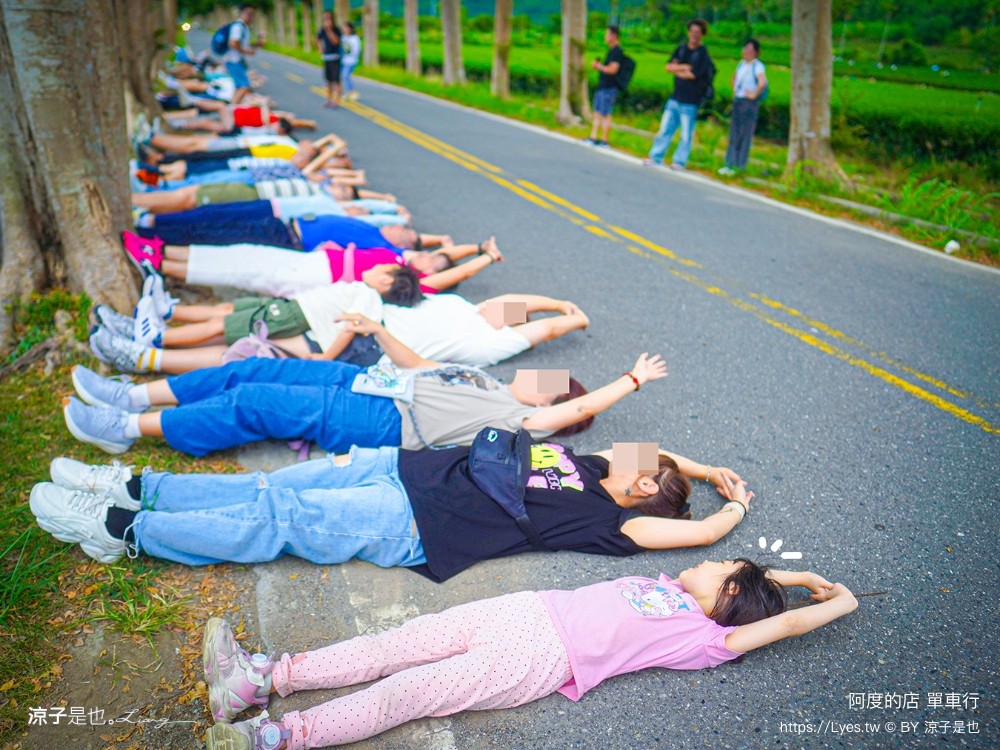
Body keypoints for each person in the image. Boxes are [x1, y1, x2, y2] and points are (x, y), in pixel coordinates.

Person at [195, 559, 856, 748]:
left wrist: (833, 603)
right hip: (525, 611)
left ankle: (278, 738)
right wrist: (791, 578)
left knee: (403, 695)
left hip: (537, 659)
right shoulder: (669, 589)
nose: (706, 561)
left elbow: (781, 630)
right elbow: (759, 589)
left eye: (722, 567)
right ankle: (258, 681)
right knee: (391, 646)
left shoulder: (710, 639)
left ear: (731, 593)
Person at [31, 432, 752, 575]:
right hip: (404, 468)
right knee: (268, 487)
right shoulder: (594, 465)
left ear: (647, 500)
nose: (640, 469)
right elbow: (655, 443)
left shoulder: (613, 521)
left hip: (414, 522)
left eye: (650, 478)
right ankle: (135, 487)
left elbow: (692, 534)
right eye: (648, 468)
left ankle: (125, 531)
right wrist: (705, 462)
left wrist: (729, 511)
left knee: (280, 522)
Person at [60, 336, 664, 456]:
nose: (543, 379)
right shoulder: (488, 383)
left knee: (255, 407)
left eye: (554, 387)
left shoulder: (521, 419)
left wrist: (631, 381)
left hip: (381, 419)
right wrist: (378, 333)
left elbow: (581, 409)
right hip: (368, 381)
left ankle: (121, 432)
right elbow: (421, 364)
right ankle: (133, 397)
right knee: (246, 376)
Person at [90, 266, 424, 372]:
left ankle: (151, 338)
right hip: (290, 309)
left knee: (223, 328)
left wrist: (326, 357)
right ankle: (152, 326)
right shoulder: (362, 289)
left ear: (387, 282)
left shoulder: (368, 297)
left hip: (293, 316)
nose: (377, 267)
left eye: (384, 268)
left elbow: (352, 327)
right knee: (225, 318)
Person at [122, 235, 502, 299]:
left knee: (242, 271)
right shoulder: (404, 258)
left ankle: (161, 266)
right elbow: (451, 253)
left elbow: (457, 271)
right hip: (313, 261)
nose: (427, 257)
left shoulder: (419, 281)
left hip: (316, 277)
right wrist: (478, 245)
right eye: (430, 255)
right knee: (244, 253)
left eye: (433, 263)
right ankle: (164, 251)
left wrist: (486, 258)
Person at [644, 19, 713, 171]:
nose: (694, 35)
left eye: (697, 33)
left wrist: (678, 70)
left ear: (702, 35)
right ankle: (656, 156)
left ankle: (679, 161)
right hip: (675, 96)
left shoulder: (702, 54)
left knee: (686, 134)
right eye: (692, 32)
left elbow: (693, 74)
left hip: (691, 100)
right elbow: (668, 67)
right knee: (665, 129)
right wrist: (683, 67)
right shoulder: (681, 49)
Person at [719, 39, 767, 176]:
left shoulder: (758, 66)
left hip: (749, 103)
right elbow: (734, 78)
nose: (746, 52)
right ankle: (729, 163)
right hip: (739, 100)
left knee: (745, 134)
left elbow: (762, 82)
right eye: (745, 49)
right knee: (734, 133)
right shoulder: (742, 64)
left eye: (749, 50)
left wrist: (754, 95)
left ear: (756, 52)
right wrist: (735, 90)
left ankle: (739, 165)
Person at [585, 26, 625, 148]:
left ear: (614, 36)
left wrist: (598, 67)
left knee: (606, 114)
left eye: (607, 34)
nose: (605, 37)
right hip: (603, 86)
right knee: (597, 112)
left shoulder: (617, 51)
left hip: (609, 87)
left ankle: (604, 140)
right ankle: (593, 136)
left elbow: (613, 69)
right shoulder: (611, 50)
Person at [224, 5, 261, 106]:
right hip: (234, 60)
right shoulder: (238, 26)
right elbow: (233, 43)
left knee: (239, 86)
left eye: (252, 14)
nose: (251, 17)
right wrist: (246, 51)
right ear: (242, 14)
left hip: (237, 60)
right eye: (249, 14)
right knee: (244, 86)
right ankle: (231, 110)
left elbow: (243, 44)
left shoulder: (244, 27)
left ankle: (232, 108)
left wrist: (257, 44)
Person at [316, 12, 342, 109]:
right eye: (325, 19)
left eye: (328, 19)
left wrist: (329, 30)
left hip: (335, 58)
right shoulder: (322, 30)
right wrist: (320, 48)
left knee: (336, 80)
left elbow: (336, 42)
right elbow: (317, 39)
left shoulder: (336, 30)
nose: (327, 21)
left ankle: (337, 101)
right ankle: (328, 99)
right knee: (328, 81)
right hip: (326, 58)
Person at [340, 22, 361, 101]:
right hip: (343, 60)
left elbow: (356, 50)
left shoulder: (355, 38)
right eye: (344, 28)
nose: (345, 30)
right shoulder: (343, 37)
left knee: (345, 75)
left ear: (351, 29)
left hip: (351, 61)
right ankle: (349, 92)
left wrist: (351, 56)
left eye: (347, 28)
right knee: (345, 76)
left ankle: (351, 91)